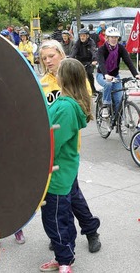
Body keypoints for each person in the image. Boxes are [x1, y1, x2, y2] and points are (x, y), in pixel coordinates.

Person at [37, 40, 100, 255]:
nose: (47, 61)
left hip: (64, 149)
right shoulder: (43, 82)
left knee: (66, 196)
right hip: (55, 149)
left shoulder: (74, 74)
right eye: (44, 58)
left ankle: (72, 234)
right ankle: (80, 230)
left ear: (61, 54)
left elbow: (82, 100)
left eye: (51, 56)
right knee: (71, 195)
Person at [95, 26, 140, 118]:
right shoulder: (102, 49)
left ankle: (120, 123)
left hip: (115, 76)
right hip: (102, 75)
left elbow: (128, 61)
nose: (114, 39)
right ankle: (105, 106)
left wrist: (136, 74)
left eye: (116, 37)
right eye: (112, 37)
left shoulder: (120, 48)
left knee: (119, 100)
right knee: (108, 84)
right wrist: (106, 74)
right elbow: (101, 63)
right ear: (107, 38)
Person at [70, 28, 98, 95]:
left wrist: (94, 60)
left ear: (87, 36)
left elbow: (93, 51)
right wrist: (70, 59)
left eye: (83, 36)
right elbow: (74, 51)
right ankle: (76, 91)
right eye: (81, 36)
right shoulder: (78, 43)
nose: (82, 37)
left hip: (89, 61)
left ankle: (92, 90)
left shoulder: (91, 42)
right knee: (76, 75)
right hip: (80, 61)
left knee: (89, 74)